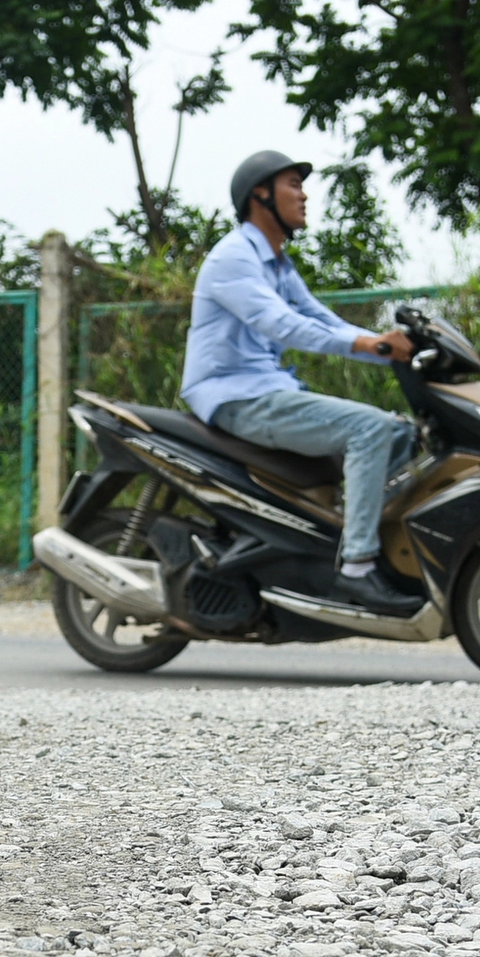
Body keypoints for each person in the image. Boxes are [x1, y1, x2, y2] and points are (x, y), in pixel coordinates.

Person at [180, 150, 423, 616]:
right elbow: (282, 325)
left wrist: (388, 349)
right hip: (237, 395)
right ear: (261, 195)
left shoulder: (278, 265)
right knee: (368, 429)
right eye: (294, 184)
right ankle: (356, 569)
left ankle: (352, 532)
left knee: (400, 432)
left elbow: (318, 317)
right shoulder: (234, 257)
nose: (304, 194)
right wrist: (369, 345)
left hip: (268, 390)